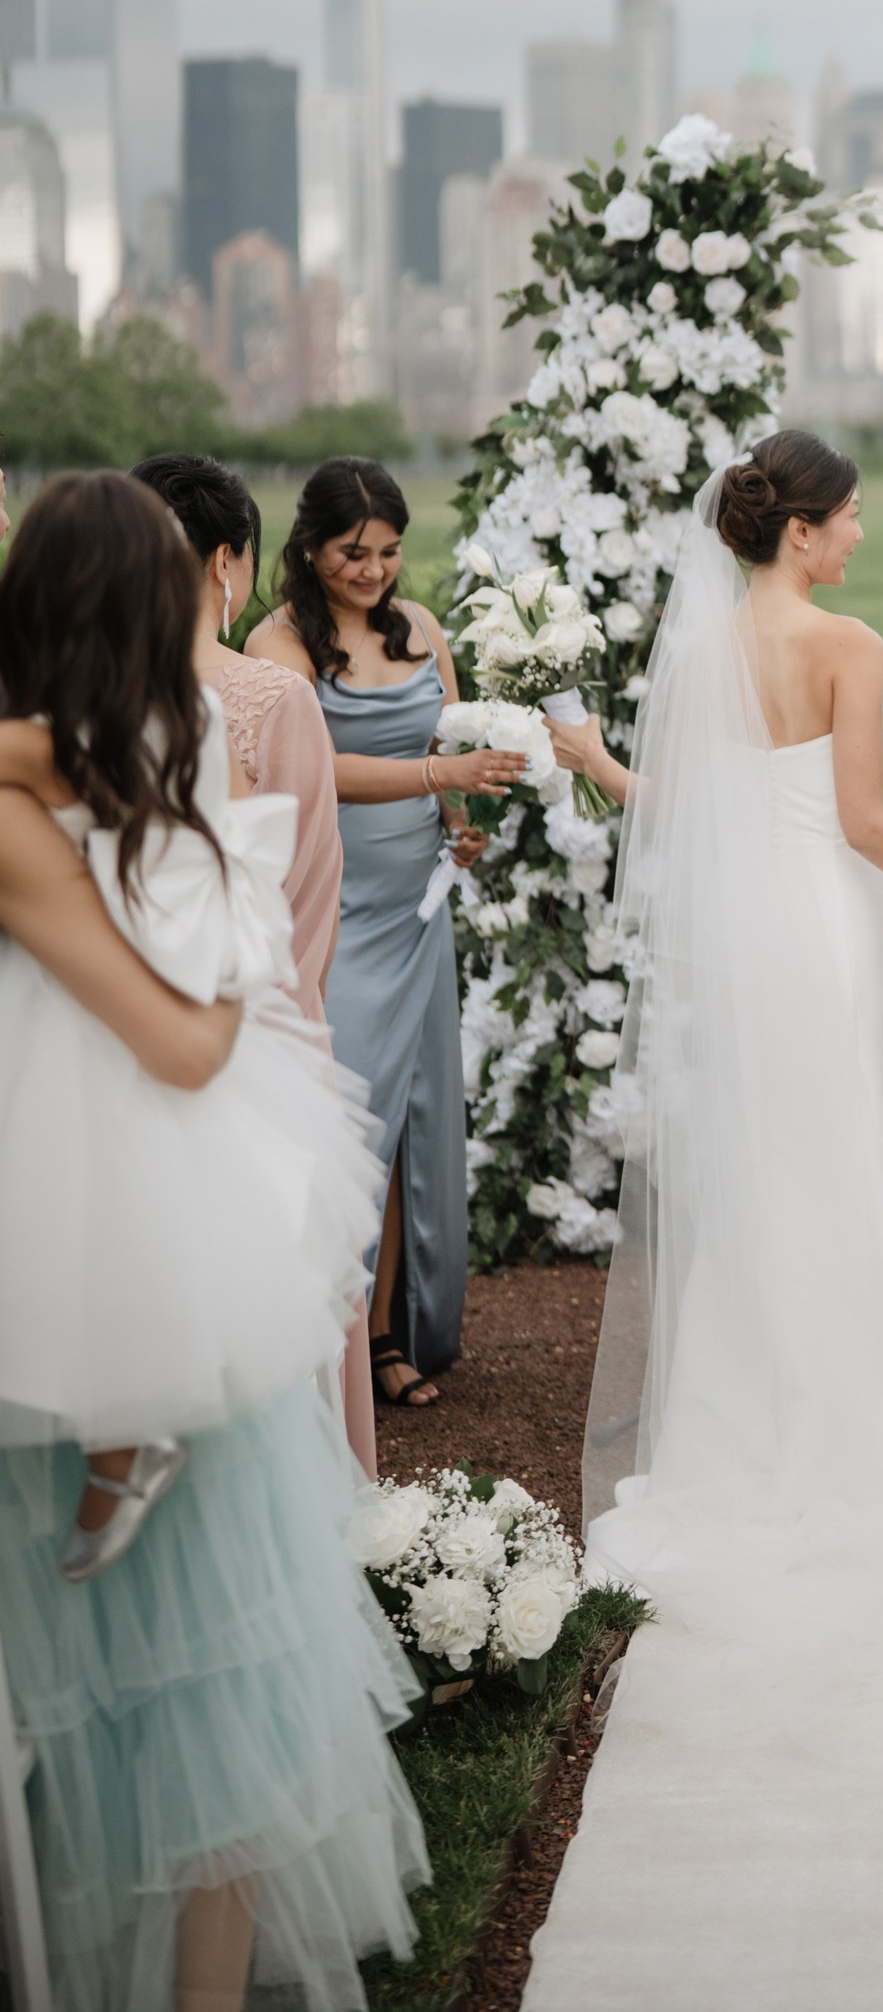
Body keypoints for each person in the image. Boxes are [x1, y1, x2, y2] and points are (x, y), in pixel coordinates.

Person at [0, 474, 424, 2012]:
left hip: (79, 1264)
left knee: (111, 1666)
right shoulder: (178, 749)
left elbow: (174, 1048)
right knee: (229, 1668)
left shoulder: (35, 790)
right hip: (214, 1248)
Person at [580, 433, 883, 1601]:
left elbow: (681, 805)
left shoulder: (709, 650)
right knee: (849, 1160)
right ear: (800, 530)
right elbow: (864, 826)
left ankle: (745, 1437)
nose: (860, 533)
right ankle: (857, 1448)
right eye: (849, 516)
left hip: (747, 944)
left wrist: (594, 760)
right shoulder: (847, 643)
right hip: (826, 937)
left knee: (764, 1173)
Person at [0, 473, 381, 1579]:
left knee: (79, 1296)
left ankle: (122, 1443)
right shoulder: (185, 725)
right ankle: (131, 1443)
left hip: (105, 1050)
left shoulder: (81, 755)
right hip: (202, 1036)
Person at [250, 458, 525, 1410]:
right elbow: (314, 766)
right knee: (344, 1118)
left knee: (407, 1121)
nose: (374, 570)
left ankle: (380, 1337)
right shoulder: (277, 643)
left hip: (417, 906)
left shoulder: (422, 627)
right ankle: (307, 1338)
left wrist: (459, 829)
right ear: (310, 550)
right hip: (336, 907)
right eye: (352, 553)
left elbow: (446, 736)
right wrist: (438, 782)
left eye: (390, 551)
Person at [129, 450, 376, 1474]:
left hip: (125, 1044)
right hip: (261, 1040)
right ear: (230, 561)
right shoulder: (271, 699)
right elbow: (306, 902)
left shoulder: (76, 698)